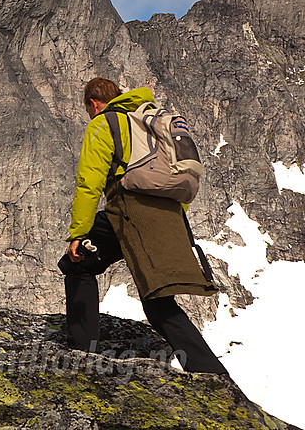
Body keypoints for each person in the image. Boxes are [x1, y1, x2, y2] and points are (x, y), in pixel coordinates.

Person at [58, 77, 227, 374]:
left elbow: (89, 184)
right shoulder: (151, 121)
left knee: (77, 264)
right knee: (159, 299)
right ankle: (212, 373)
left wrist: (79, 234)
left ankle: (84, 355)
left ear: (93, 104)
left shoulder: (103, 123)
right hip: (169, 214)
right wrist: (171, 219)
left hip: (128, 210)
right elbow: (179, 178)